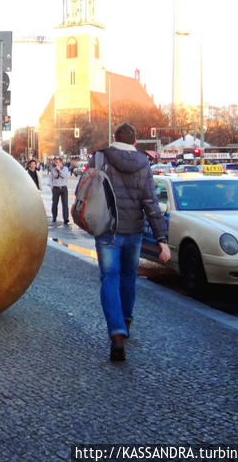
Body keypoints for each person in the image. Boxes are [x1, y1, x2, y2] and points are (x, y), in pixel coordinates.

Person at [88, 123, 170, 362]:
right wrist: (162, 240)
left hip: (107, 230)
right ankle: (126, 321)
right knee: (128, 277)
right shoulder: (144, 163)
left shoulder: (100, 157)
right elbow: (151, 203)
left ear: (115, 138)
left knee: (110, 278)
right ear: (135, 142)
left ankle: (116, 333)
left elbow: (88, 188)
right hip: (134, 230)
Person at [47, 157, 70, 226]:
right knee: (55, 203)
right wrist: (51, 185)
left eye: (58, 162)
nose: (56, 163)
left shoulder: (65, 169)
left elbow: (63, 176)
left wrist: (59, 170)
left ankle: (66, 218)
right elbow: (51, 178)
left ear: (61, 162)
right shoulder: (53, 169)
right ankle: (54, 217)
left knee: (65, 204)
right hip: (56, 188)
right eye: (55, 162)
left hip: (63, 188)